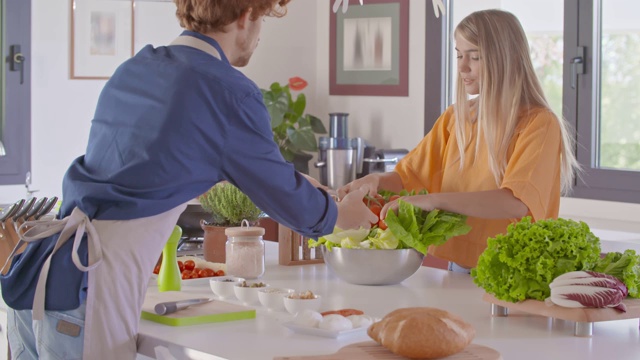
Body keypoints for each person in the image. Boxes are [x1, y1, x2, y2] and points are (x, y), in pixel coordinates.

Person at [1, 1, 377, 359]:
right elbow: (289, 201)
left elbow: (154, 165)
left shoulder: (136, 68)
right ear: (246, 16)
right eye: (262, 19)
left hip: (45, 275)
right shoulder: (227, 90)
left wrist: (286, 180)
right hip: (92, 285)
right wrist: (343, 215)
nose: (260, 35)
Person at [338, 9, 580, 273]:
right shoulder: (457, 117)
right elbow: (410, 176)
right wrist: (377, 181)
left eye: (475, 56)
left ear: (505, 58)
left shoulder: (539, 123)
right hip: (459, 267)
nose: (463, 66)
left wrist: (434, 200)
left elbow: (516, 202)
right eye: (459, 54)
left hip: (514, 270)